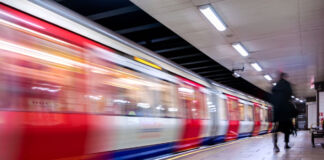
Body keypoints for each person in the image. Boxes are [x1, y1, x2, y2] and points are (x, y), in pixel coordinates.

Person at [270, 72, 294, 152]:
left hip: (277, 111)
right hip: (285, 111)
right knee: (287, 129)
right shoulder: (287, 85)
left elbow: (272, 95)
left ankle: (275, 145)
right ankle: (286, 144)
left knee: (275, 129)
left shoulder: (275, 86)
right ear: (284, 77)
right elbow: (290, 94)